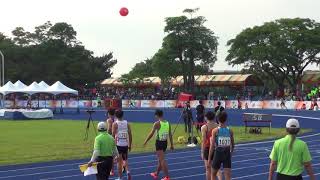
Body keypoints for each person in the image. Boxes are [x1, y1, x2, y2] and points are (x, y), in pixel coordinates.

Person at [143, 109, 174, 180]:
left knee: (162, 160)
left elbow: (151, 134)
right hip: (165, 143)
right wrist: (172, 144)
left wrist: (146, 141)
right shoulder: (168, 123)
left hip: (159, 143)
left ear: (157, 115)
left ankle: (167, 177)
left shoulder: (157, 123)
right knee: (160, 160)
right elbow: (170, 135)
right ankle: (156, 173)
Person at [208, 111, 235, 180]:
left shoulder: (215, 131)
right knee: (227, 176)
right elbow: (233, 145)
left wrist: (209, 159)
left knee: (213, 174)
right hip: (227, 153)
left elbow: (212, 146)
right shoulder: (230, 130)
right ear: (226, 119)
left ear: (217, 119)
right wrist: (230, 154)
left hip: (218, 153)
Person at [201, 111, 222, 180]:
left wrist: (202, 152)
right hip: (216, 148)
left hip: (207, 148)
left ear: (206, 118)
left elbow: (203, 141)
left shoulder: (204, 127)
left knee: (208, 168)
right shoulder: (218, 126)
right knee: (217, 168)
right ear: (213, 117)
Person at [112, 109, 132, 180]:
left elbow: (112, 135)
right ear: (122, 115)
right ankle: (128, 172)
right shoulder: (127, 123)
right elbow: (130, 135)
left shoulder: (115, 124)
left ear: (115, 115)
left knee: (119, 162)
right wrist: (130, 145)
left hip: (118, 145)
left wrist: (112, 147)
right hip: (125, 145)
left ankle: (120, 178)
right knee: (125, 160)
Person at [106, 108, 116, 176]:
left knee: (110, 155)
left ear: (109, 114)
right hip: (116, 137)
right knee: (115, 154)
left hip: (111, 138)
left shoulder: (109, 120)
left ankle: (111, 170)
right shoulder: (116, 119)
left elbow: (109, 128)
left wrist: (106, 135)